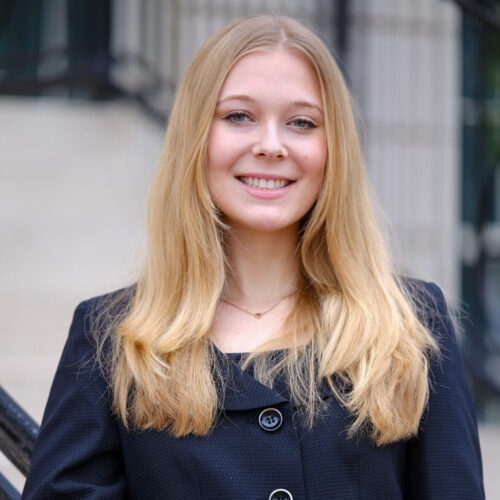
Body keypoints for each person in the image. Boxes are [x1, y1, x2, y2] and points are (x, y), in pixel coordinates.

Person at [23, 15, 484, 500]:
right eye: (238, 116)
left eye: (302, 122)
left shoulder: (412, 325)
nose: (270, 146)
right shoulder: (109, 339)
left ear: (334, 150)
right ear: (196, 137)